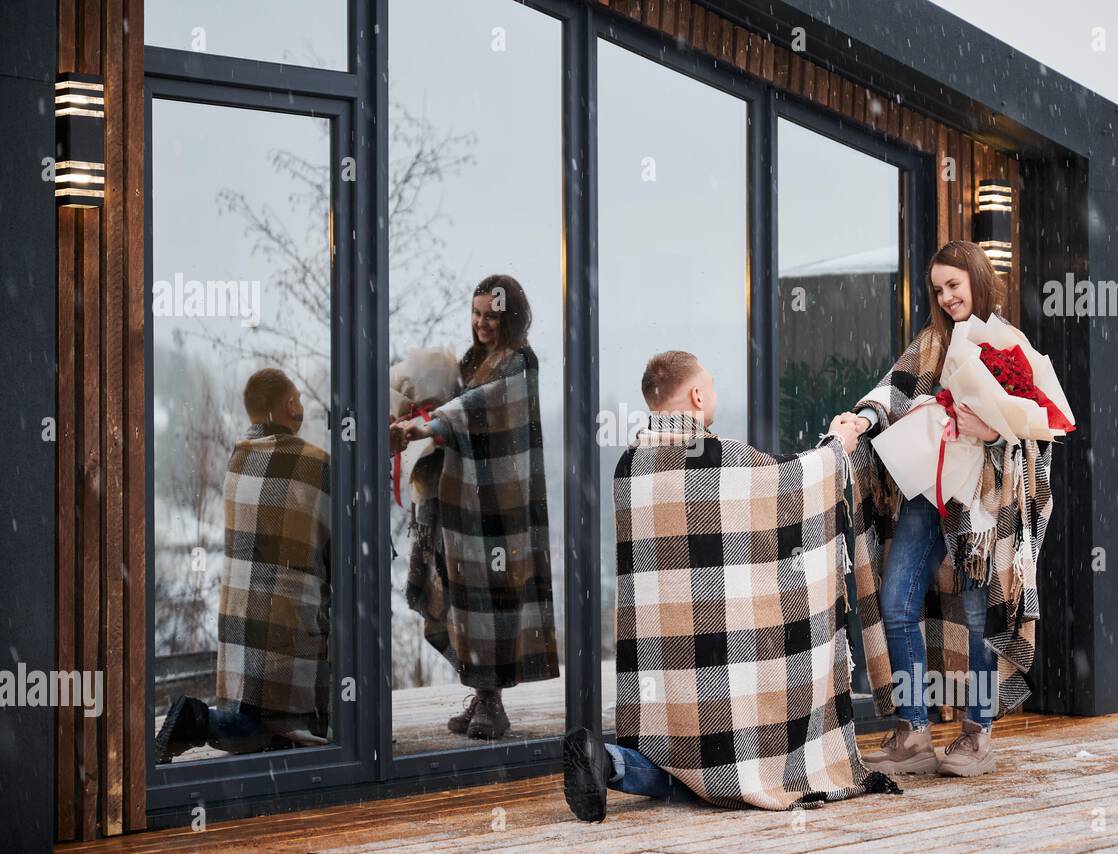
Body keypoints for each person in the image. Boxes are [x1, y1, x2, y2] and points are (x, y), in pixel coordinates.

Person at [563, 351, 899, 822]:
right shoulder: (716, 455)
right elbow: (792, 481)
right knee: (725, 774)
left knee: (675, 763)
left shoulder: (629, 467)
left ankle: (608, 762)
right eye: (712, 386)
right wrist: (837, 444)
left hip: (662, 676)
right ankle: (637, 765)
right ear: (698, 394)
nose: (714, 395)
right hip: (719, 687)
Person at [849, 239, 1057, 778]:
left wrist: (993, 429)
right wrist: (861, 421)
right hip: (927, 493)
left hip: (981, 507)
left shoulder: (1009, 344)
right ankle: (913, 732)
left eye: (953, 286)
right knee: (896, 603)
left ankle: (976, 735)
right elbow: (890, 391)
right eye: (938, 289)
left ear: (977, 281)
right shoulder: (933, 340)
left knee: (978, 617)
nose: (945, 298)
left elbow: (1041, 430)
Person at [396, 275, 559, 740]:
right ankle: (480, 691)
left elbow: (481, 407)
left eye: (491, 315)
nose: (481, 322)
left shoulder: (519, 362)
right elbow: (457, 403)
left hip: (498, 504)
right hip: (455, 497)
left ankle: (492, 703)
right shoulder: (471, 359)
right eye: (476, 313)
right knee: (458, 597)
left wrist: (432, 425)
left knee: (493, 599)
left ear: (510, 317)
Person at [155, 368, 332, 762]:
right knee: (286, 733)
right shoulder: (315, 464)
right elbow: (337, 550)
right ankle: (196, 720)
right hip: (287, 623)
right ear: (289, 404)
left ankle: (207, 719)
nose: (301, 404)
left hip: (238, 621)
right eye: (299, 398)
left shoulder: (238, 460)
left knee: (253, 718)